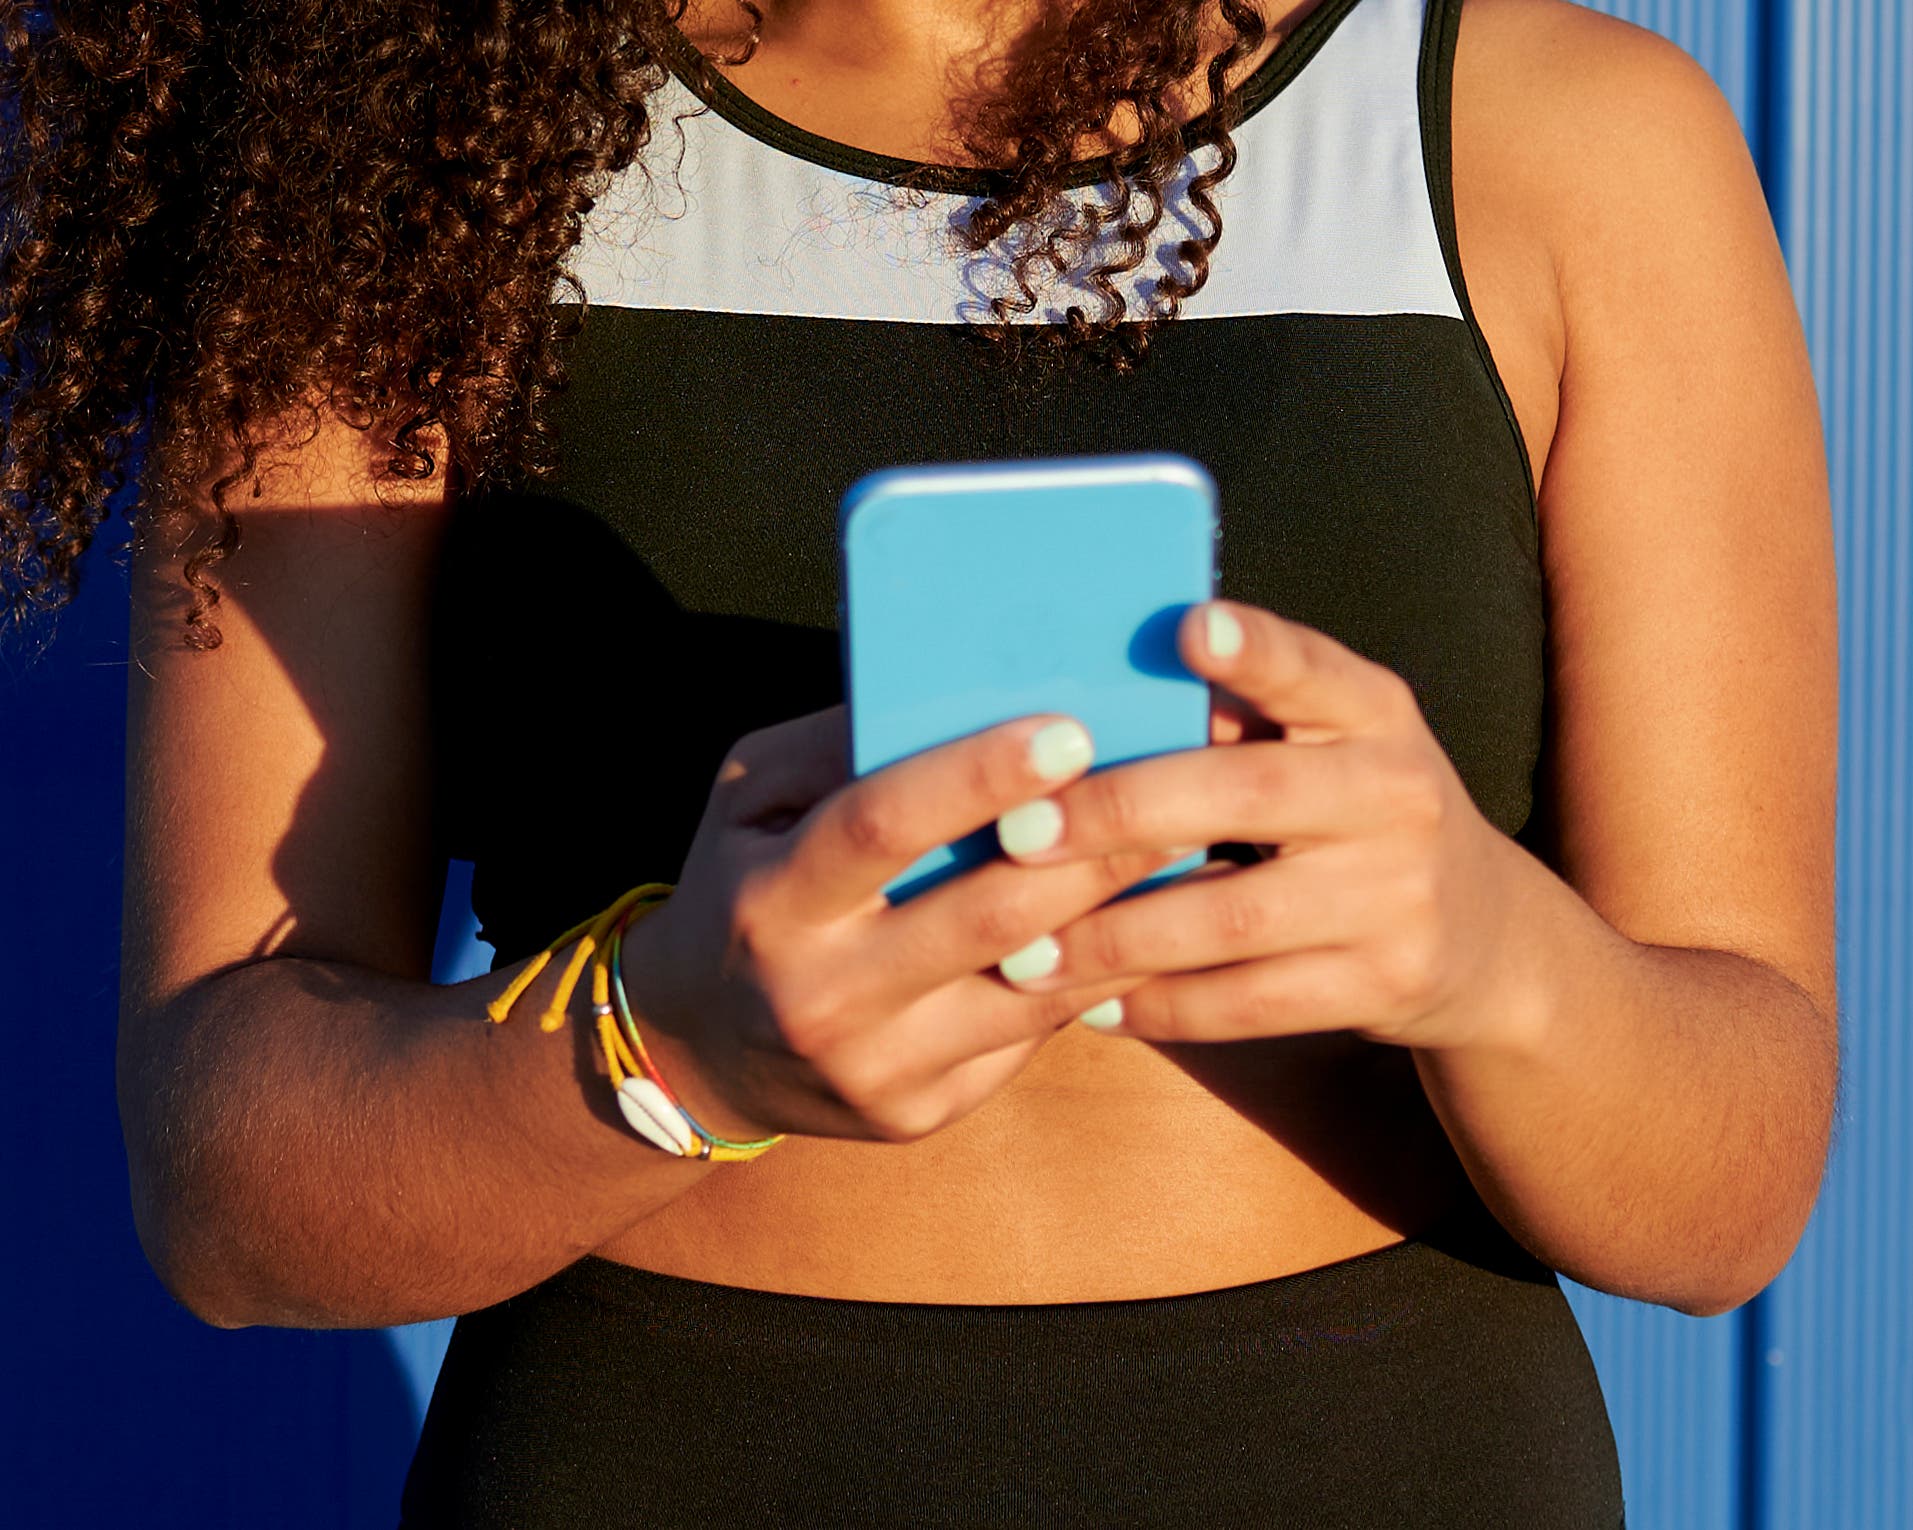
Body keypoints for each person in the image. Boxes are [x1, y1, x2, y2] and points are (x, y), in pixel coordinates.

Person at [2, 0, 1836, 1523]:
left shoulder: (1558, 139)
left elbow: (1728, 1180)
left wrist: (1490, 955)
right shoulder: (403, 152)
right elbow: (228, 1179)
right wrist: (676, 1039)